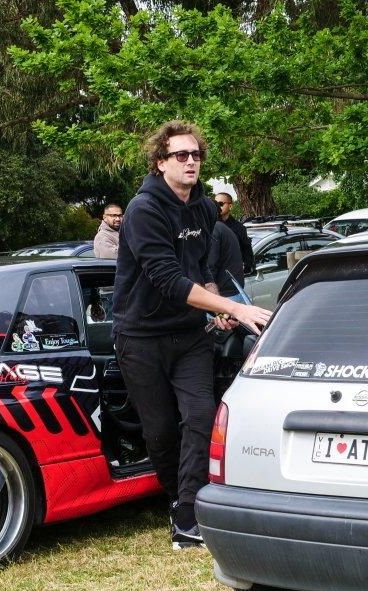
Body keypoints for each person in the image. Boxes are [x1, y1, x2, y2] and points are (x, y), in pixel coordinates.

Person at [113, 122, 273, 549]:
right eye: (180, 155)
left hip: (189, 334)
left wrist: (218, 306)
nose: (190, 162)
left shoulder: (204, 209)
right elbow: (167, 279)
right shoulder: (144, 209)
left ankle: (188, 515)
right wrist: (234, 308)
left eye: (195, 155)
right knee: (162, 431)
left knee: (201, 416)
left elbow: (202, 271)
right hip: (141, 335)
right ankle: (175, 499)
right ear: (160, 162)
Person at [207, 219, 249, 303]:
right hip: (233, 292)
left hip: (224, 296)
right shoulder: (221, 227)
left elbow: (210, 266)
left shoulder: (213, 229)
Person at [215, 192, 255, 275]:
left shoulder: (239, 228)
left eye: (220, 204)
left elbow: (247, 251)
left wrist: (246, 267)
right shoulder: (208, 225)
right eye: (215, 204)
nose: (217, 206)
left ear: (230, 206)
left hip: (232, 275)